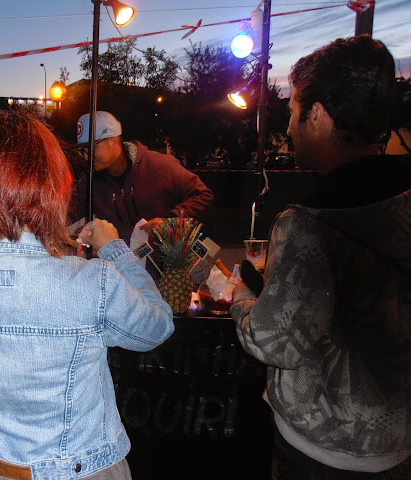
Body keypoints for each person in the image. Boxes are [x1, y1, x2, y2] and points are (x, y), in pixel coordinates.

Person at [0, 111, 174, 480]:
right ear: (51, 188)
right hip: (79, 470)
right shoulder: (93, 282)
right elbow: (157, 326)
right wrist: (114, 249)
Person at [230, 35, 411, 479]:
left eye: (293, 112)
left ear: (318, 115)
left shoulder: (309, 222)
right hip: (398, 440)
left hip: (324, 452)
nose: (289, 128)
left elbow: (274, 342)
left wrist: (240, 298)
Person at [68, 111, 214, 242]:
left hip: (166, 260)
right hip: (121, 261)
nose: (86, 157)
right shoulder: (89, 184)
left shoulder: (159, 165)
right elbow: (66, 216)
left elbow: (203, 195)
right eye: (83, 150)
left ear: (113, 141)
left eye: (92, 148)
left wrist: (170, 221)